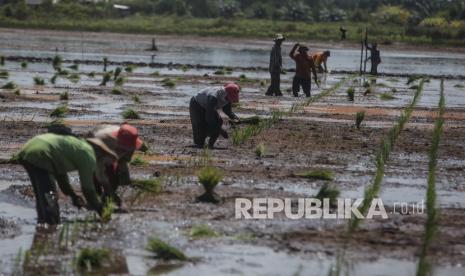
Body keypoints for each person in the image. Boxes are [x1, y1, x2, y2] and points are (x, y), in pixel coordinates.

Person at [17, 132, 119, 224]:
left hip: (28, 149)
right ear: (100, 153)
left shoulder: (76, 147)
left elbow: (62, 179)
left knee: (42, 195)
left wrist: (73, 195)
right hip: (41, 153)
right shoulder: (88, 155)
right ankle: (51, 225)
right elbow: (88, 189)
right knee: (49, 194)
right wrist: (101, 210)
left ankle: (43, 222)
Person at [91, 123, 144, 207]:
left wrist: (124, 176)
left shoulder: (131, 140)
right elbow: (99, 169)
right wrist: (107, 188)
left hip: (111, 149)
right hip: (96, 150)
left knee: (114, 178)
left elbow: (123, 160)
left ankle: (106, 197)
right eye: (123, 148)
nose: (125, 149)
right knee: (95, 177)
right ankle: (96, 200)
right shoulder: (102, 140)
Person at [190, 83, 240, 149]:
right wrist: (221, 130)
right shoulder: (214, 97)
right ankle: (199, 142)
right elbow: (208, 117)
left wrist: (235, 118)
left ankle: (210, 145)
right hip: (197, 104)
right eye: (230, 97)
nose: (230, 100)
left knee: (219, 121)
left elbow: (227, 111)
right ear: (226, 93)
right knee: (200, 125)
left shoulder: (227, 97)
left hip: (208, 106)